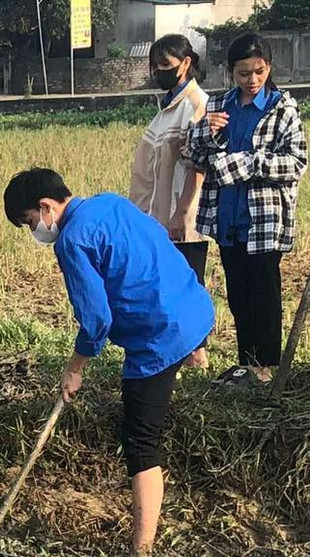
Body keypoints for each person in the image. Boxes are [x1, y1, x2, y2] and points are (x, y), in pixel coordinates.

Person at [3, 168, 214, 557]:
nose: (35, 230)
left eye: (31, 222)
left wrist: (75, 367)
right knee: (174, 356)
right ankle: (196, 355)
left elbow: (97, 320)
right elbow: (159, 248)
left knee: (140, 441)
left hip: (160, 334)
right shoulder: (110, 202)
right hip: (195, 307)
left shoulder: (72, 241)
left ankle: (141, 550)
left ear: (46, 207)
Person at [189, 32, 307, 385]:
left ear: (268, 67)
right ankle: (247, 364)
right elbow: (194, 154)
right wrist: (205, 132)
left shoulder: (283, 109)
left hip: (265, 219)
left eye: (259, 71)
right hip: (228, 216)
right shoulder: (219, 105)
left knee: (264, 295)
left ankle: (266, 369)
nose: (252, 80)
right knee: (238, 295)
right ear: (231, 72)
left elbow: (296, 163)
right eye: (243, 73)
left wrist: (250, 162)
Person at [130, 34, 210, 368]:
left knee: (187, 284)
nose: (158, 71)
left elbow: (198, 165)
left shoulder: (196, 105)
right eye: (154, 65)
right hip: (159, 216)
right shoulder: (166, 109)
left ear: (186, 63)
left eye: (165, 64)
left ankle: (197, 353)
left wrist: (182, 213)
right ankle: (181, 350)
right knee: (168, 284)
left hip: (183, 217)